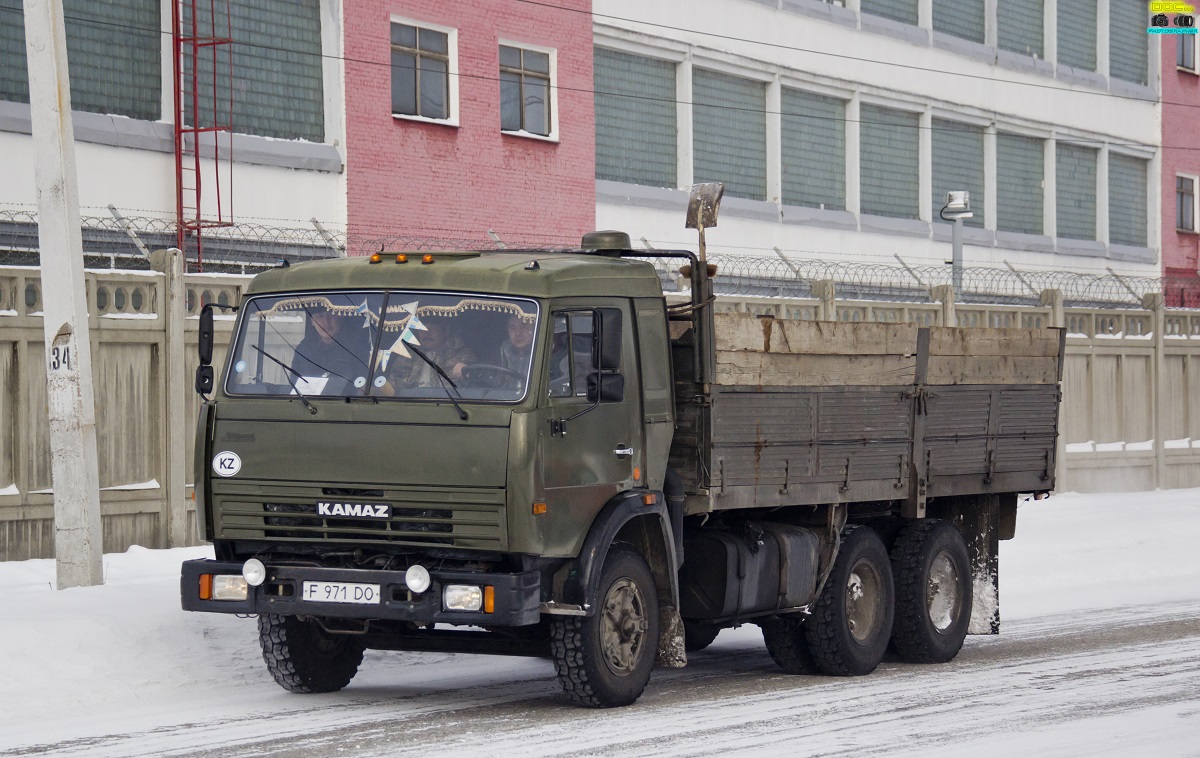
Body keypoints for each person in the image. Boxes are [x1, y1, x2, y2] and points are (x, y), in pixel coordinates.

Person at [291, 307, 371, 390]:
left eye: (331, 315)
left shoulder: (358, 348)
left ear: (341, 318)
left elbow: (363, 387)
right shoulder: (303, 350)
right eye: (320, 316)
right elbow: (294, 385)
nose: (326, 322)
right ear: (312, 321)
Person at [389, 315, 475, 388]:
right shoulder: (406, 356)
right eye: (422, 330)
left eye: (432, 329)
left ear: (445, 331)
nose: (427, 334)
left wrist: (465, 370)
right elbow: (392, 384)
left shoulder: (463, 356)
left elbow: (474, 383)